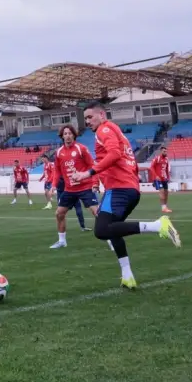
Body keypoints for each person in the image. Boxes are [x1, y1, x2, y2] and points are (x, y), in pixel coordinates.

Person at [68, 102, 180, 290]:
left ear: (101, 115)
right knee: (113, 230)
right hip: (129, 189)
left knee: (102, 231)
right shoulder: (116, 131)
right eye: (85, 118)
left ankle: (157, 225)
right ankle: (128, 276)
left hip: (118, 189)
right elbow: (124, 159)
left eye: (90, 117)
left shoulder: (104, 130)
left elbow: (114, 154)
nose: (87, 121)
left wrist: (88, 173)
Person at [51, 124, 98, 248]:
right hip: (70, 189)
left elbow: (92, 167)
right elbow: (57, 171)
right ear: (62, 136)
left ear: (74, 135)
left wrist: (94, 183)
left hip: (85, 187)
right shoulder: (59, 152)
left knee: (97, 213)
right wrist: (54, 185)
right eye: (65, 134)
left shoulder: (81, 148)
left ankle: (111, 240)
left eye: (70, 133)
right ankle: (62, 241)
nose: (67, 136)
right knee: (59, 213)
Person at [149, 149, 172, 214]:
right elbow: (151, 167)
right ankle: (163, 208)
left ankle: (165, 207)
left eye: (166, 151)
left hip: (164, 178)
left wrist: (168, 177)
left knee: (166, 193)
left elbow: (167, 169)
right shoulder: (157, 158)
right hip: (158, 179)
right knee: (161, 191)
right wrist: (156, 176)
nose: (165, 152)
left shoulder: (166, 159)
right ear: (161, 152)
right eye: (164, 151)